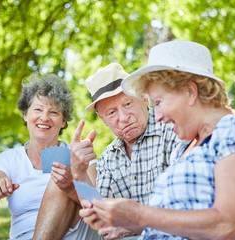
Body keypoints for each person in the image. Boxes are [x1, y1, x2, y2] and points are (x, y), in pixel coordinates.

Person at [80, 41, 235, 239]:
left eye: (159, 102)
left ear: (190, 92)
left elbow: (226, 225)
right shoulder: (184, 147)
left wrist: (138, 215)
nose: (158, 115)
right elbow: (172, 221)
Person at [36, 63, 180, 240]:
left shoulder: (173, 132)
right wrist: (79, 173)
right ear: (102, 118)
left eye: (128, 104)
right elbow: (100, 213)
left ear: (144, 98)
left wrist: (135, 226)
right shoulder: (108, 157)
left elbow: (188, 207)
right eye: (111, 113)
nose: (123, 118)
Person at [0, 73, 100, 240]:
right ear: (25, 115)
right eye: (38, 109)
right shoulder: (9, 159)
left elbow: (99, 207)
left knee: (60, 179)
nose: (44, 117)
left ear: (64, 121)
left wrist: (71, 186)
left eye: (54, 112)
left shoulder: (80, 155)